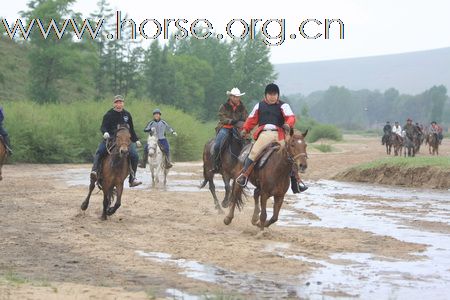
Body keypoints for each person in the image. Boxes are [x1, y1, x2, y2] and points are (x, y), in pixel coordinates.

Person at [236, 83, 308, 193]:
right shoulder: (259, 106)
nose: (273, 96)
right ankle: (244, 175)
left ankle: (296, 182)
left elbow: (291, 117)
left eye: (275, 94)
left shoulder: (284, 106)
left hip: (279, 134)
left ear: (278, 95)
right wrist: (246, 129)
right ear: (266, 95)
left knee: (290, 154)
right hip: (264, 134)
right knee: (254, 152)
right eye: (270, 94)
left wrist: (288, 124)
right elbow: (251, 119)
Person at [90, 95, 142, 187]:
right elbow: (103, 127)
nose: (119, 104)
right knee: (100, 151)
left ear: (123, 103)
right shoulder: (109, 114)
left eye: (121, 102)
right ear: (114, 104)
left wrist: (136, 139)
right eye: (117, 102)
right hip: (111, 138)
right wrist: (105, 132)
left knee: (135, 156)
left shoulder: (127, 115)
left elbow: (131, 130)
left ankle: (132, 179)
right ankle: (94, 171)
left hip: (125, 140)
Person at [211, 87, 248, 172]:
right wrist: (231, 121)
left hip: (239, 128)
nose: (236, 98)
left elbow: (246, 118)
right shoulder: (224, 106)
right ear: (230, 97)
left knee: (248, 143)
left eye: (238, 97)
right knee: (217, 145)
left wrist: (241, 122)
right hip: (225, 128)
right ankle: (216, 164)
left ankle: (246, 165)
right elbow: (221, 117)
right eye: (234, 96)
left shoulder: (242, 107)